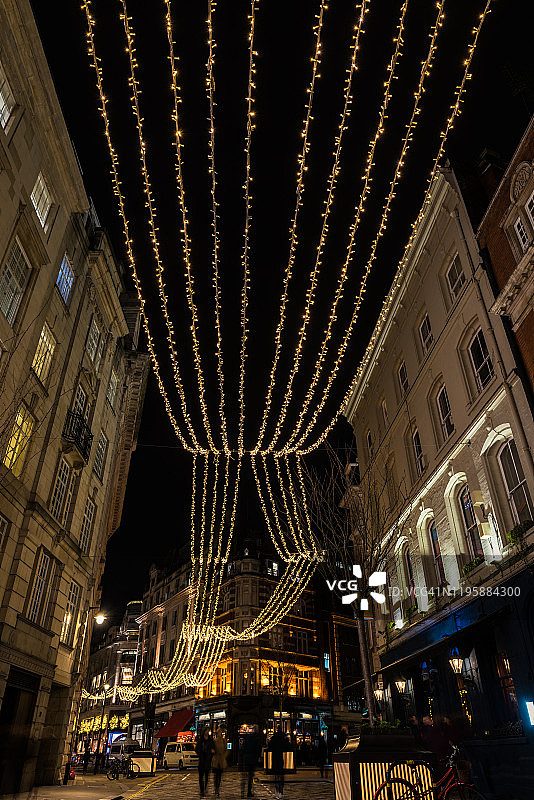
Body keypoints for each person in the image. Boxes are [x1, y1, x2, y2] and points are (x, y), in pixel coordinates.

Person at [240, 726, 261, 798]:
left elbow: (243, 748)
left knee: (244, 776)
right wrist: (257, 757)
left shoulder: (247, 738)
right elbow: (258, 749)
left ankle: (242, 792)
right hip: (253, 759)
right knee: (250, 775)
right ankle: (249, 792)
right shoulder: (256, 738)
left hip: (246, 758)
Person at [195, 727, 215, 798]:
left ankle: (205, 789)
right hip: (202, 761)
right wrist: (200, 754)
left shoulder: (210, 740)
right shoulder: (200, 740)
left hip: (207, 761)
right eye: (206, 731)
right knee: (201, 777)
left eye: (208, 731)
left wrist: (211, 753)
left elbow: (213, 749)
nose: (207, 732)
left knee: (206, 777)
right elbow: (196, 749)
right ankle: (202, 790)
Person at [269, 726, 287, 798]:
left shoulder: (273, 738)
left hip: (274, 756)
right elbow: (286, 747)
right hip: (280, 756)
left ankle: (276, 788)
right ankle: (281, 788)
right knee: (281, 772)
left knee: (276, 772)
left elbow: (270, 746)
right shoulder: (283, 738)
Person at [212, 728, 228, 798]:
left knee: (220, 776)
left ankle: (218, 788)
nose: (220, 734)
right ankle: (216, 789)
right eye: (219, 733)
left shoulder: (224, 741)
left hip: (221, 760)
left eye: (221, 733)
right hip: (216, 760)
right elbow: (212, 750)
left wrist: (224, 756)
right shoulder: (214, 741)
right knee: (216, 776)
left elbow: (226, 750)